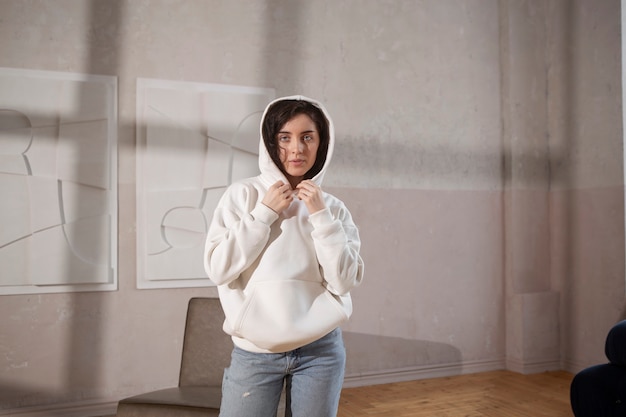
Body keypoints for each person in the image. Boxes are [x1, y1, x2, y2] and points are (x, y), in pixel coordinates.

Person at [203, 95, 364, 417]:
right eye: (285, 138)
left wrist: (320, 216)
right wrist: (264, 213)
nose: (297, 149)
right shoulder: (242, 195)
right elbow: (218, 269)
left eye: (307, 137)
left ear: (322, 144)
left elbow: (344, 281)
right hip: (256, 351)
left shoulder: (332, 208)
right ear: (269, 142)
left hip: (321, 349)